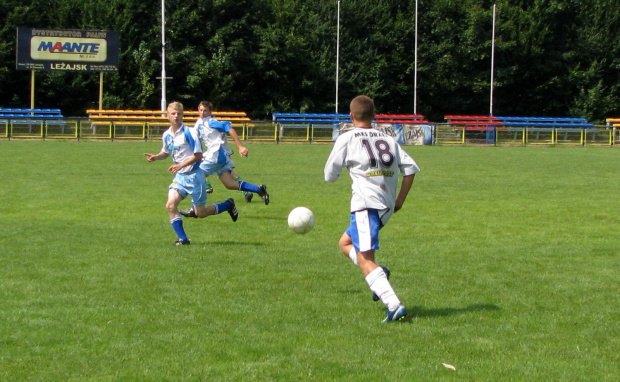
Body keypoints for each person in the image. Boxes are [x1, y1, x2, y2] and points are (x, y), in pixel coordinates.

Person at [324, 95, 420, 323]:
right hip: (385, 206)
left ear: (351, 116)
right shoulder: (387, 138)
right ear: (374, 115)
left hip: (366, 205)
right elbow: (410, 169)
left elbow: (329, 176)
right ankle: (380, 274)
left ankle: (393, 304)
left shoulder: (347, 138)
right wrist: (400, 201)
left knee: (365, 259)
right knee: (344, 243)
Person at [144, 101, 239, 246]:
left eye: (179, 114)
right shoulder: (167, 135)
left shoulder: (189, 132)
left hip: (195, 176)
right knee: (170, 205)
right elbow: (166, 152)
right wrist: (156, 157)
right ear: (168, 116)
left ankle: (228, 204)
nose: (176, 116)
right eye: (173, 114)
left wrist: (179, 165)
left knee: (200, 213)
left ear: (182, 116)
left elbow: (199, 155)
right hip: (181, 178)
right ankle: (183, 239)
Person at [180, 101, 269, 219]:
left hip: (215, 156)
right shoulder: (199, 123)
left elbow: (229, 129)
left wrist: (240, 146)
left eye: (205, 110)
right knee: (230, 184)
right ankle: (258, 189)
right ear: (198, 110)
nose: (202, 112)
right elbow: (193, 137)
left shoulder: (211, 122)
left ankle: (193, 209)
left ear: (210, 112)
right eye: (201, 110)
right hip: (215, 156)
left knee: (197, 176)